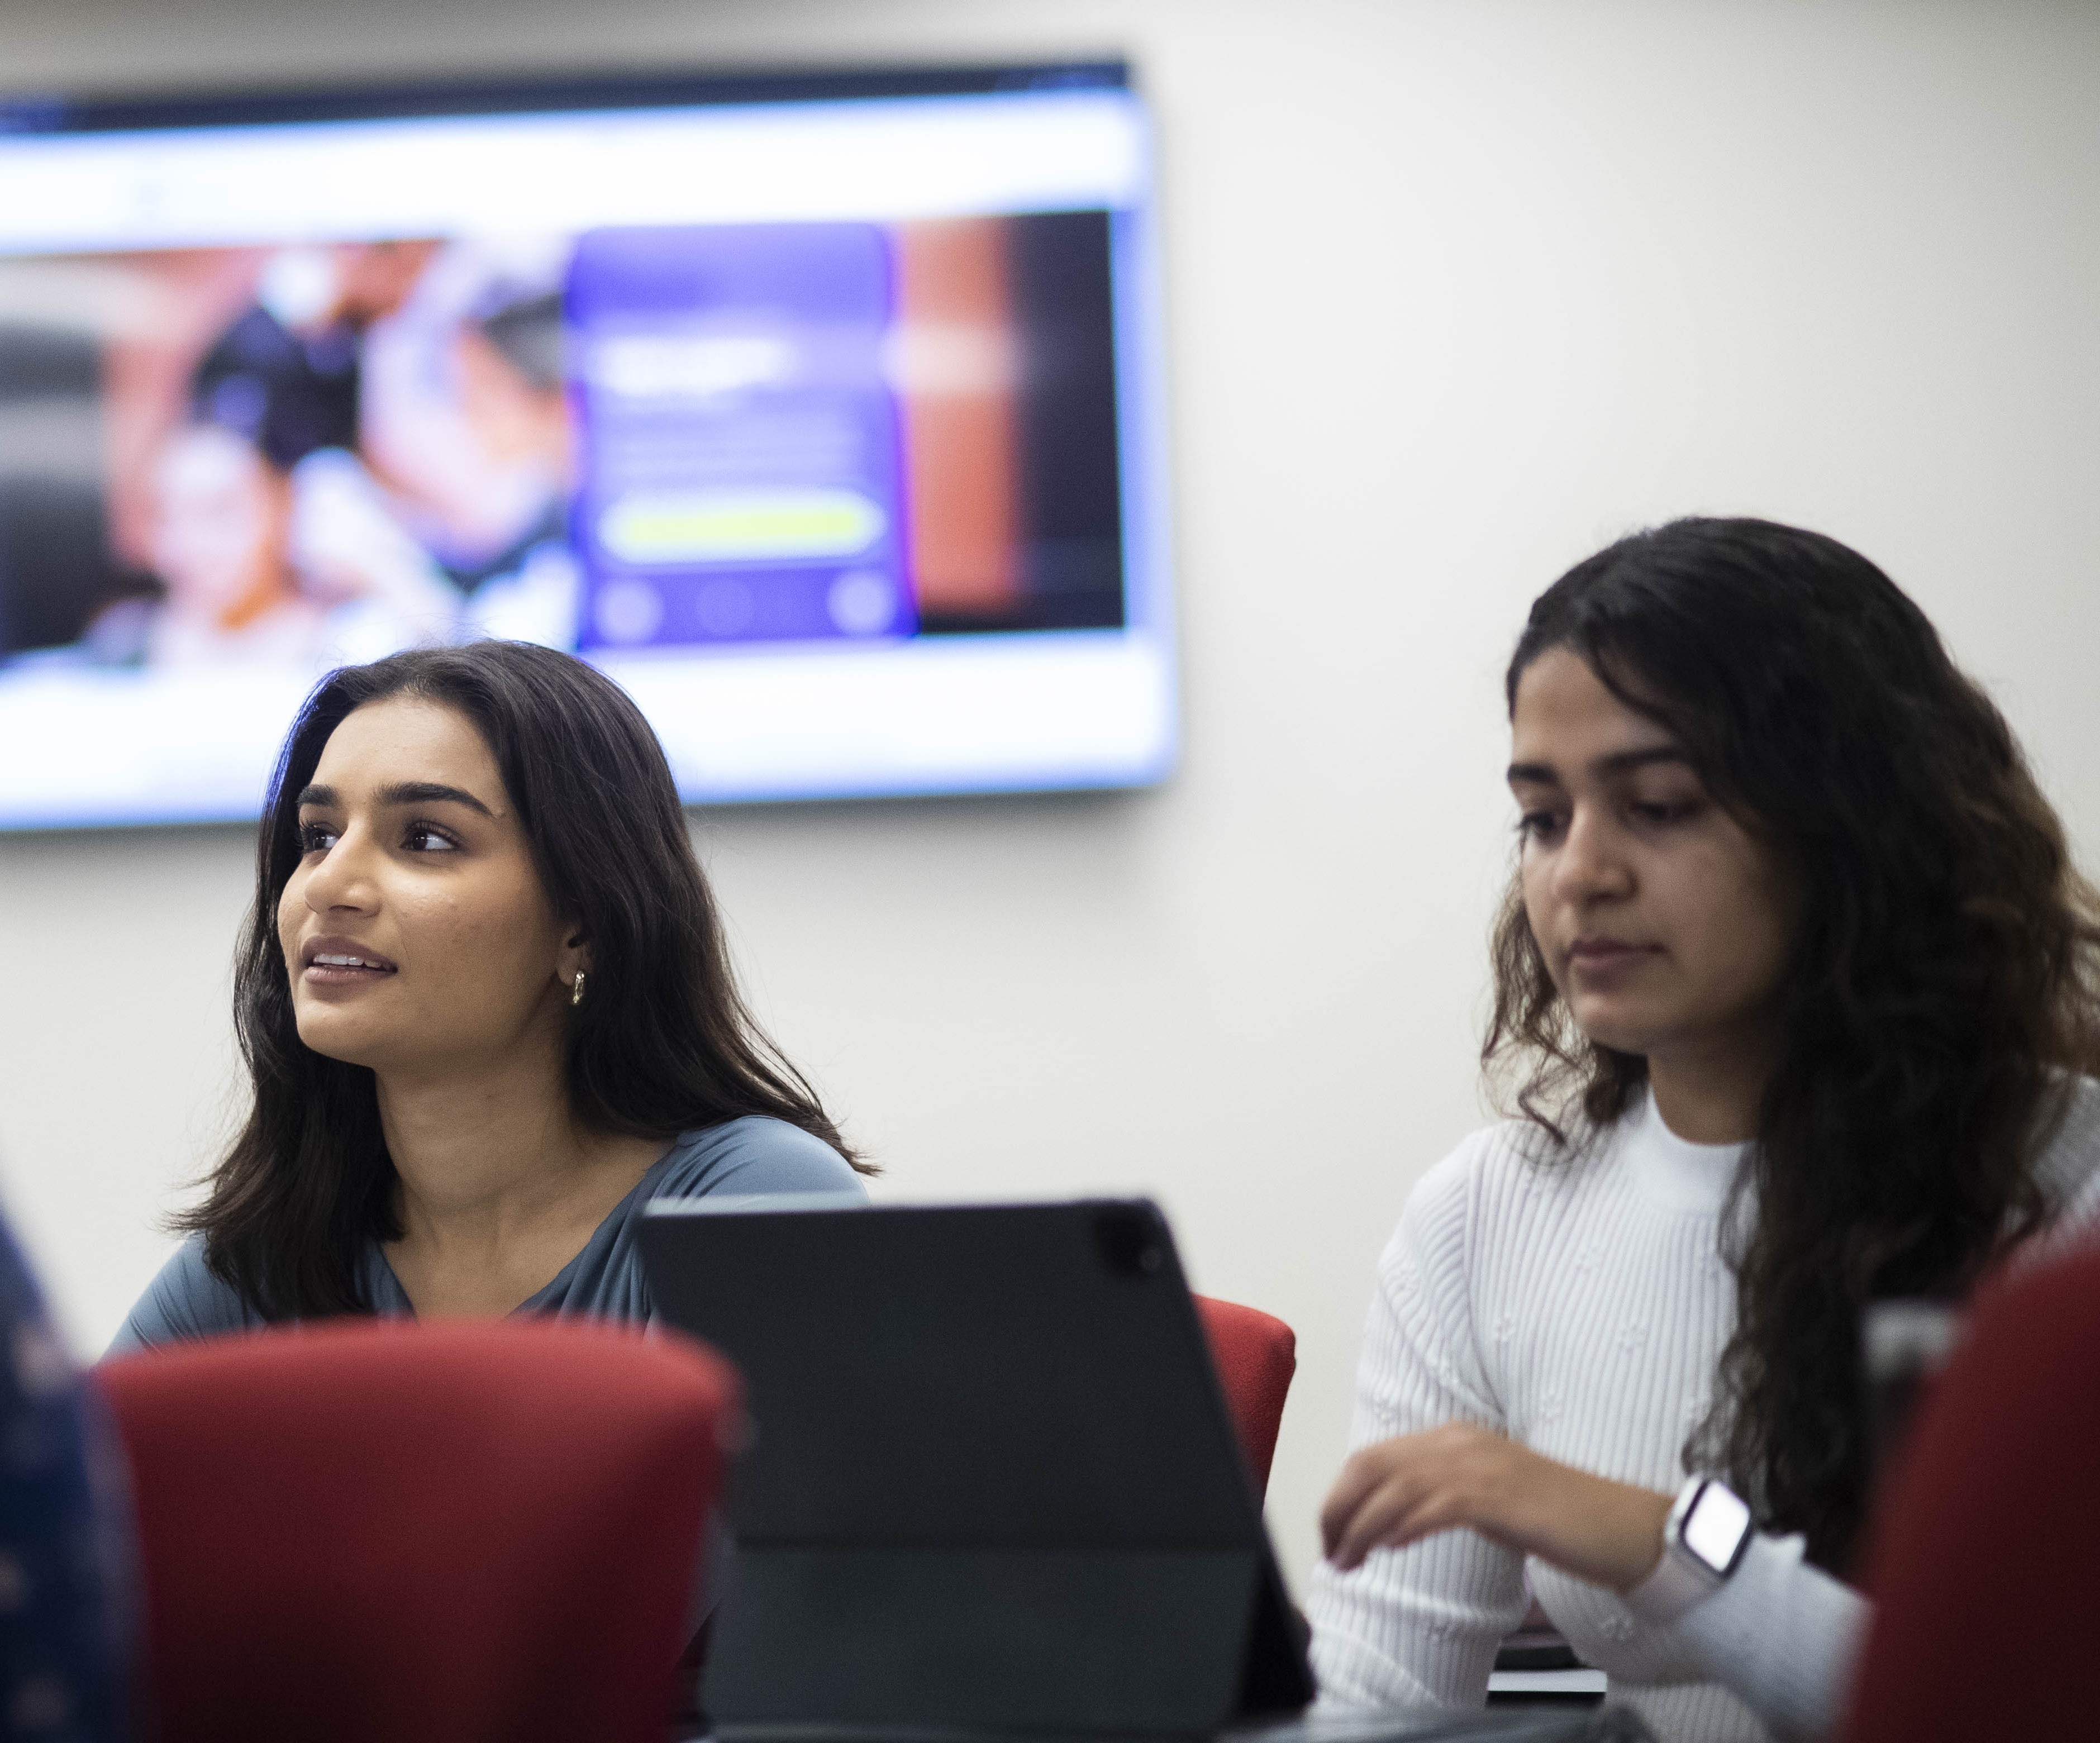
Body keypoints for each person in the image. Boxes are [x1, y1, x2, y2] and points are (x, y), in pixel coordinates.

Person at [1306, 518, 2100, 1742]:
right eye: (1541, 816)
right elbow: (1373, 1713)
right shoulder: (1479, 1220)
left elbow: (1995, 1705)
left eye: (1659, 806)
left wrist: (1661, 1538)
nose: (1580, 873)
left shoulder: (2068, 1191)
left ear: (1853, 826)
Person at [112, 640, 866, 1349]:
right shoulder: (269, 1254)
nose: (329, 885)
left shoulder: (751, 1199)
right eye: (318, 836)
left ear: (583, 927)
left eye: (427, 839)